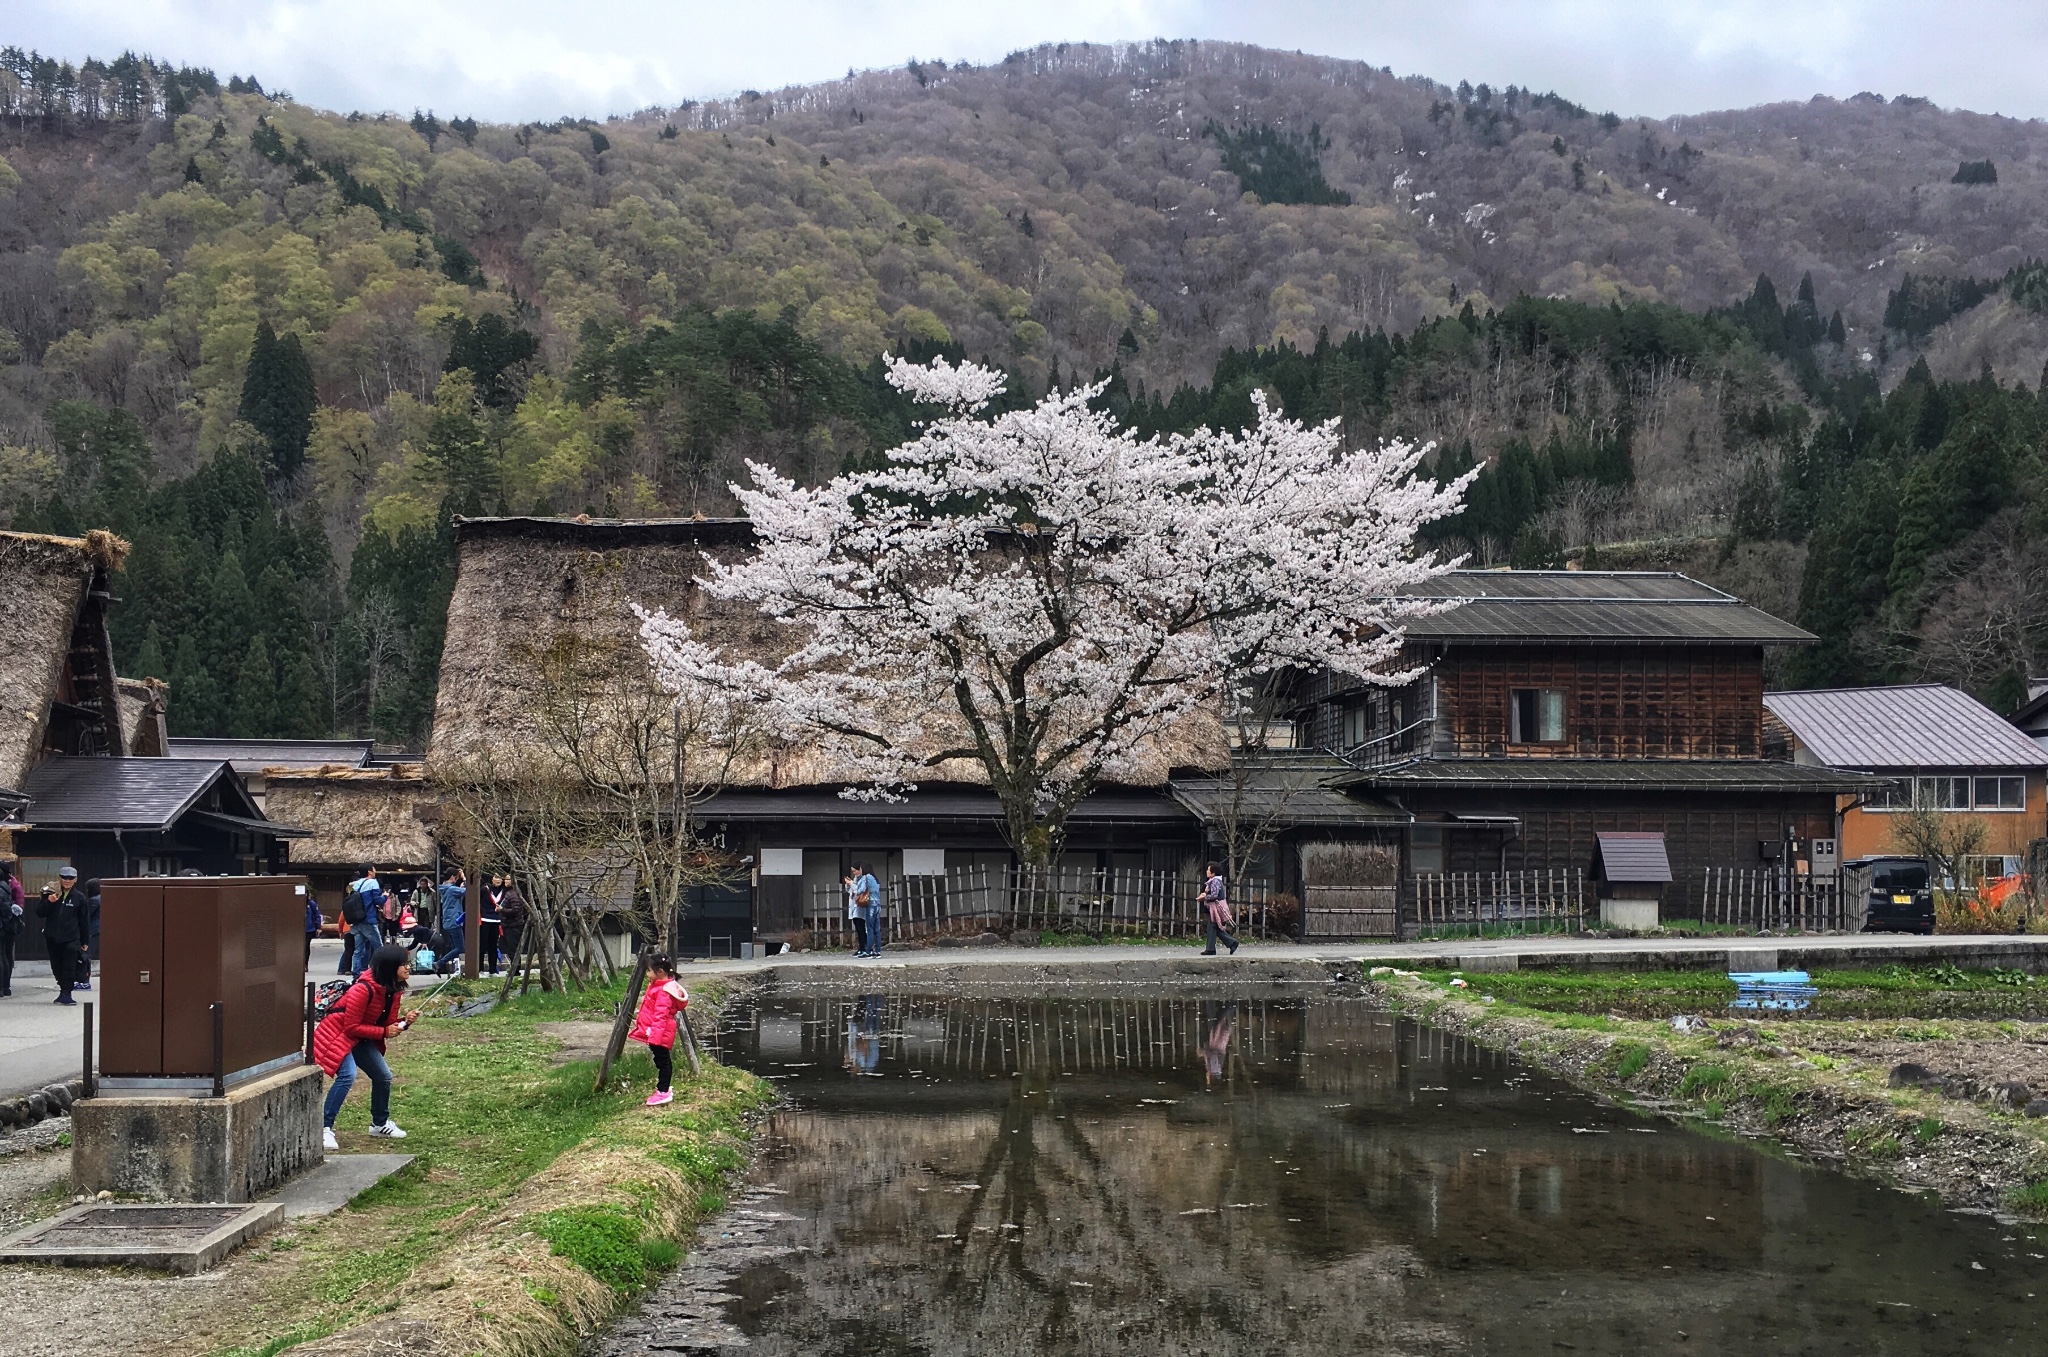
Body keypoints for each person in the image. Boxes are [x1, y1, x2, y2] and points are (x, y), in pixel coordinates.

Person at [313, 941, 419, 1150]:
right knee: (347, 1076)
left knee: (383, 1075)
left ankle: (379, 1124)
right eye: (403, 964)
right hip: (338, 1035)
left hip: (359, 1037)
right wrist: (384, 1032)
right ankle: (324, 1128)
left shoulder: (393, 990)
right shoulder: (362, 989)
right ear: (389, 967)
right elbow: (352, 1027)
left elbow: (383, 1024)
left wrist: (403, 1022)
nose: (408, 968)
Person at [627, 954, 688, 1107]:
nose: (647, 974)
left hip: (659, 1033)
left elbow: (660, 1016)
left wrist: (655, 1038)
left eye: (649, 971)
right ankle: (663, 1089)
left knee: (663, 1062)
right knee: (661, 1060)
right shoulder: (659, 985)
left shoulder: (663, 991)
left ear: (660, 971)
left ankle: (663, 1091)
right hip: (656, 1031)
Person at [38, 878, 84, 1004]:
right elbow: (40, 913)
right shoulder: (51, 894)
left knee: (69, 965)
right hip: (52, 937)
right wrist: (49, 902)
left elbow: (84, 920)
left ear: (75, 880)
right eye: (64, 878)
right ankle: (62, 987)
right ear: (60, 879)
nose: (67, 881)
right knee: (56, 965)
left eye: (70, 878)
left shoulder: (79, 897)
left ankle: (66, 993)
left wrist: (85, 941)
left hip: (72, 937)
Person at [343, 865, 386, 977]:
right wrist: (385, 896)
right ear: (369, 872)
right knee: (379, 947)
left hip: (356, 921)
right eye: (374, 869)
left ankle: (356, 973)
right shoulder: (372, 883)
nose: (375, 871)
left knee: (358, 950)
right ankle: (381, 971)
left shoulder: (356, 884)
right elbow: (377, 900)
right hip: (368, 919)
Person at [1198, 862, 1238, 956]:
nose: (1207, 871)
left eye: (1208, 870)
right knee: (1215, 927)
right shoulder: (1214, 881)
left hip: (1216, 907)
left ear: (1213, 873)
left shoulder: (1215, 881)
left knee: (1212, 926)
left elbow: (1214, 895)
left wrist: (1204, 897)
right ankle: (1231, 943)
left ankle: (1212, 949)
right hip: (1215, 906)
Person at [496, 874, 528, 977]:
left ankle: (515, 970)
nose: (505, 881)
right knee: (511, 949)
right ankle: (514, 969)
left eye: (508, 879)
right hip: (508, 924)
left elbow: (516, 910)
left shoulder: (514, 894)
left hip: (513, 925)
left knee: (513, 949)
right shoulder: (509, 893)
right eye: (504, 879)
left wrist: (502, 910)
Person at [436, 867, 466, 973]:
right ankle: (439, 963)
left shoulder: (444, 888)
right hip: (455, 921)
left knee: (455, 948)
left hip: (448, 921)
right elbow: (468, 892)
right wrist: (464, 879)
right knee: (460, 947)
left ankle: (456, 970)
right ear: (452, 877)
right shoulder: (453, 889)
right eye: (456, 877)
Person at [852, 862, 883, 959]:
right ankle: (878, 951)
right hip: (878, 904)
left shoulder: (866, 877)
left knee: (869, 928)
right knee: (877, 929)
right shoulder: (875, 879)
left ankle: (868, 951)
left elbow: (861, 889)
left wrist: (855, 891)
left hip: (871, 905)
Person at [0, 859, 22, 997]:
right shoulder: (10, 884)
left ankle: (3, 986)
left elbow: (5, 908)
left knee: (3, 955)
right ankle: (5, 986)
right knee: (6, 955)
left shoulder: (7, 886)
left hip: (4, 924)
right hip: (7, 924)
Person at [479, 874, 505, 975]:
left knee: (493, 946)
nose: (498, 880)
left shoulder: (503, 891)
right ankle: (480, 969)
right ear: (492, 879)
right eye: (496, 878)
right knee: (482, 946)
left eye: (500, 878)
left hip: (496, 921)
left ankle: (492, 970)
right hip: (484, 920)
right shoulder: (485, 889)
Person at [842, 867, 866, 956]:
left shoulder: (863, 879)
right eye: (853, 871)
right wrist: (848, 884)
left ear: (860, 869)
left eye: (855, 870)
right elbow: (850, 890)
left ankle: (865, 947)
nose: (854, 873)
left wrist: (851, 883)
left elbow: (859, 890)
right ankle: (861, 948)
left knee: (862, 928)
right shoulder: (856, 879)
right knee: (858, 928)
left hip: (860, 906)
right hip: (854, 905)